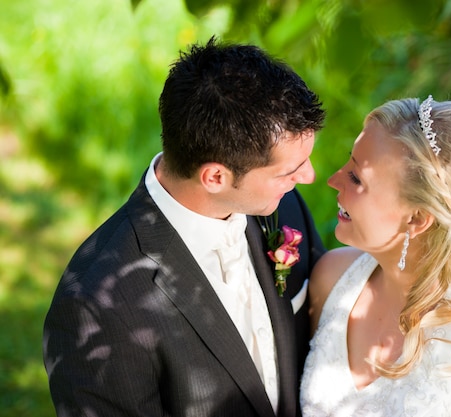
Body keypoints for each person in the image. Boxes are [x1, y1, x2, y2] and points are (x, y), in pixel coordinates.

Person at [43, 36, 326, 417]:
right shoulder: (97, 306)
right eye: (290, 170)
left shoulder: (286, 209)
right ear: (214, 177)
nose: (308, 176)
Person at [300, 96, 451, 416]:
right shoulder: (332, 278)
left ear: (417, 219)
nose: (333, 180)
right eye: (350, 163)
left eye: (356, 178)